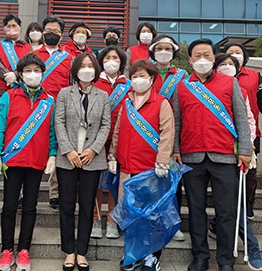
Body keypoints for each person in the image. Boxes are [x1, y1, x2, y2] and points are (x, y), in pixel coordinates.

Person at [175, 38, 252, 271]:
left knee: (226, 212)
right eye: (197, 56)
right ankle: (200, 257)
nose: (202, 60)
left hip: (225, 156)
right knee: (196, 211)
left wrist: (246, 150)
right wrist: (176, 150)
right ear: (190, 60)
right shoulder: (181, 86)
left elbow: (241, 118)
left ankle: (225, 261)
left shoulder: (229, 83)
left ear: (214, 58)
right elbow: (177, 122)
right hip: (191, 157)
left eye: (207, 55)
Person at [0, 53, 57, 271]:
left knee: (30, 207)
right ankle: (7, 250)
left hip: (36, 160)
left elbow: (52, 132)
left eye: (37, 71)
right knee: (9, 207)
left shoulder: (49, 101)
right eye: (28, 71)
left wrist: (53, 154)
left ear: (43, 74)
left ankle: (24, 250)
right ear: (20, 74)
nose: (33, 74)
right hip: (12, 159)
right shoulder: (9, 96)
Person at [109, 59, 175, 271]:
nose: (138, 80)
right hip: (127, 169)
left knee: (151, 216)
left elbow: (167, 133)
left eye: (142, 76)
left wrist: (163, 161)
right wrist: (112, 155)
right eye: (134, 76)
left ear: (152, 78)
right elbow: (118, 130)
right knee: (131, 215)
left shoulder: (161, 102)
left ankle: (152, 257)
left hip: (150, 171)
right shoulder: (126, 103)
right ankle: (132, 255)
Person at [55, 53, 110, 271]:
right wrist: (68, 150)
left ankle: (82, 252)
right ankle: (69, 251)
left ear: (96, 70)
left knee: (87, 206)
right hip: (67, 158)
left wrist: (93, 150)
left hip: (92, 160)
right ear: (75, 69)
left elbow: (106, 125)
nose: (86, 68)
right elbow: (58, 122)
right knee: (67, 206)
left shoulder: (103, 95)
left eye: (90, 65)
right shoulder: (63, 93)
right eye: (82, 65)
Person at [211, 53, 262, 271]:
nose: (227, 67)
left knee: (233, 203)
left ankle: (252, 247)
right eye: (222, 64)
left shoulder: (241, 91)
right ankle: (218, 226)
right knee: (227, 203)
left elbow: (249, 121)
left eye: (231, 64)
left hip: (236, 155)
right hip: (211, 153)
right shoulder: (205, 91)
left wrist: (247, 146)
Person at [224, 42, 262, 220]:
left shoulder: (255, 76)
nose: (234, 55)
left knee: (251, 174)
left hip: (251, 133)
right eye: (230, 53)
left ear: (244, 56)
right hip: (224, 135)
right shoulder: (217, 76)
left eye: (238, 52)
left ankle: (248, 206)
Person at [147, 34, 188, 242]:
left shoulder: (182, 75)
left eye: (168, 48)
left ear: (174, 52)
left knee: (172, 183)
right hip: (147, 132)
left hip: (173, 135)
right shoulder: (146, 72)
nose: (163, 51)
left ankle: (173, 223)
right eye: (159, 48)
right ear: (153, 51)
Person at [32, 15, 74, 211]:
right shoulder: (32, 55)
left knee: (57, 150)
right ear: (42, 31)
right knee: (31, 146)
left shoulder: (68, 58)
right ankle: (26, 192)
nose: (52, 34)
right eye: (49, 30)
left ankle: (55, 193)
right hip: (34, 109)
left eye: (56, 31)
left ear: (62, 34)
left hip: (59, 109)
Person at [90, 46, 129, 240]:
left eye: (115, 58)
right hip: (97, 141)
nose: (111, 61)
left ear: (121, 63)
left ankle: (113, 220)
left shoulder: (129, 85)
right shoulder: (94, 83)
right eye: (107, 58)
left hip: (121, 141)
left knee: (115, 182)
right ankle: (96, 218)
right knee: (96, 182)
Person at [0, 13, 32, 113]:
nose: (11, 28)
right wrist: (8, 76)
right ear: (4, 28)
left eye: (14, 25)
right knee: (0, 118)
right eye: (8, 26)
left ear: (20, 28)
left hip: (20, 88)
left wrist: (15, 74)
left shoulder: (27, 47)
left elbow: (28, 64)